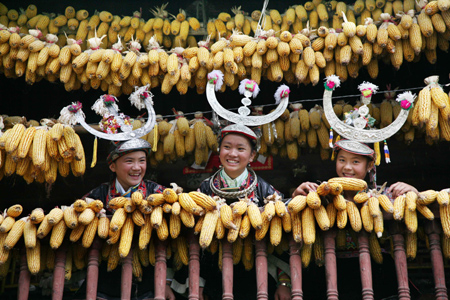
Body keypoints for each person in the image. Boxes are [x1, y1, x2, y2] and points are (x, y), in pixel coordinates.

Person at [292, 139, 418, 299]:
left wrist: (414, 193)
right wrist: (297, 197)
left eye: (356, 161)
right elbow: (294, 210)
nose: (347, 167)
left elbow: (412, 207)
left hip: (376, 269)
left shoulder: (382, 194)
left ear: (370, 165)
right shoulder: (323, 194)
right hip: (332, 269)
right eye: (341, 160)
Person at [187, 124, 291, 300]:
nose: (232, 154)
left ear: (252, 156)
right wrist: (198, 282)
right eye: (227, 147)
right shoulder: (205, 188)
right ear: (219, 151)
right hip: (215, 271)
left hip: (256, 273)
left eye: (240, 149)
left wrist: (284, 282)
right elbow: (194, 238)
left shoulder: (263, 189)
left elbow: (281, 238)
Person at [74, 139, 176, 300]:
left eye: (142, 161)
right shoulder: (98, 195)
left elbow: (174, 239)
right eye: (129, 161)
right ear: (112, 166)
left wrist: (167, 282)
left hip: (149, 284)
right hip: (105, 283)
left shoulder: (158, 193)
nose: (137, 168)